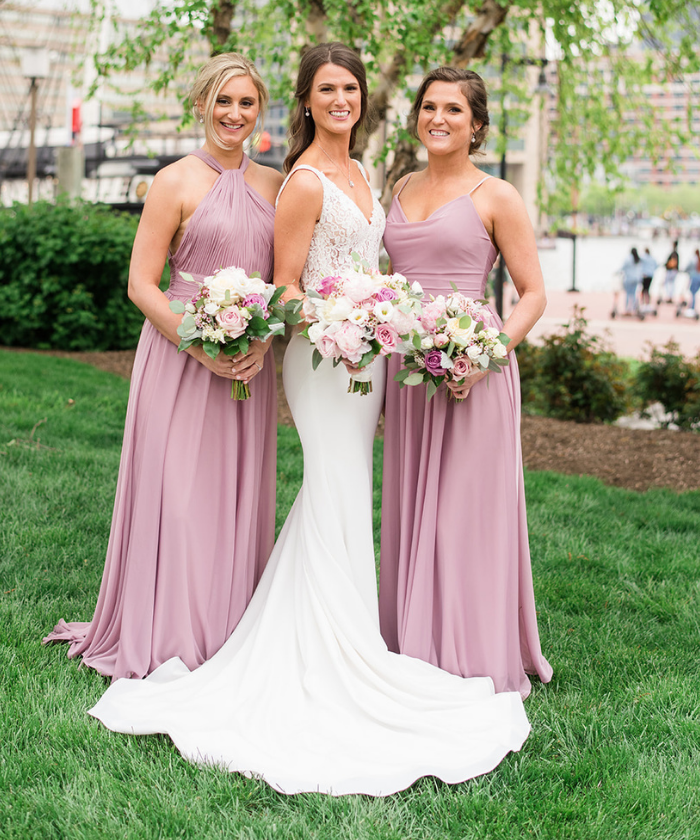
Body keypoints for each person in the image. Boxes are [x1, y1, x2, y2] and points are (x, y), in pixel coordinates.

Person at [84, 43, 529, 796]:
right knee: (334, 491)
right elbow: (285, 289)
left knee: (346, 500)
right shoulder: (304, 180)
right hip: (326, 359)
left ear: (362, 98)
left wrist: (379, 314)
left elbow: (373, 265)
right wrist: (341, 318)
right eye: (326, 89)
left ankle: (348, 635)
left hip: (366, 361)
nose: (340, 100)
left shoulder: (364, 175)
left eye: (350, 88)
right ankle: (330, 655)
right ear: (306, 100)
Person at [46, 53, 281, 679]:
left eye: (246, 103)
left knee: (235, 496)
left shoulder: (275, 185)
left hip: (249, 363)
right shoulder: (173, 181)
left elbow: (285, 282)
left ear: (261, 111)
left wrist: (263, 340)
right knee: (178, 497)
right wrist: (198, 343)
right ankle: (168, 627)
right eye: (222, 102)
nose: (234, 114)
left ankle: (230, 629)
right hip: (179, 356)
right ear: (200, 106)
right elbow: (142, 285)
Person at [379, 66, 552, 697]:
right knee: (410, 502)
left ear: (476, 124)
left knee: (463, 513)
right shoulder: (399, 187)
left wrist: (489, 352)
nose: (438, 119)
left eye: (454, 109)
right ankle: (408, 639)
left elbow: (533, 294)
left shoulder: (496, 195)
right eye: (429, 107)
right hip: (409, 369)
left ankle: (468, 647)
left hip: (472, 367)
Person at [620, 248, 642, 316]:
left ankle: (627, 309)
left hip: (629, 279)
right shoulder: (638, 259)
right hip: (636, 279)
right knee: (633, 294)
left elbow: (623, 268)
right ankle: (633, 308)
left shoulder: (628, 259)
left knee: (627, 294)